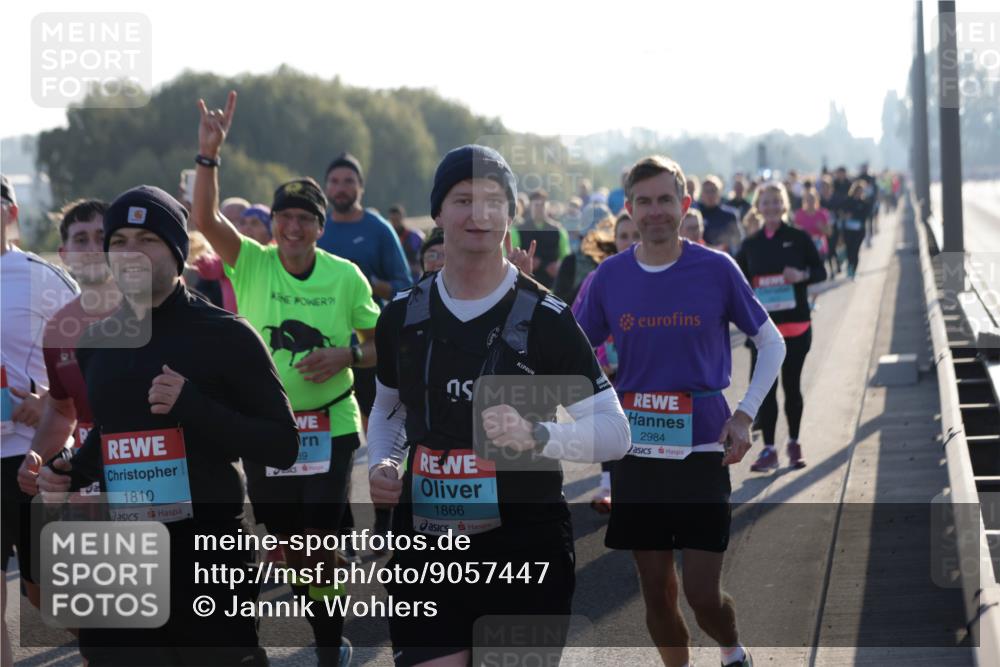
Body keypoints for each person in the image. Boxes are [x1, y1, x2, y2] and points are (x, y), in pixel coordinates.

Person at [367, 144, 630, 667]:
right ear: (438, 213)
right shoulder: (401, 315)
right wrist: (383, 461)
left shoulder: (547, 319)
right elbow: (389, 410)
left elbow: (614, 431)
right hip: (428, 550)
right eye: (462, 200)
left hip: (525, 548)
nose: (478, 214)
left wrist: (540, 437)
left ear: (510, 214)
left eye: (493, 201)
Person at [38, 184, 299, 666]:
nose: (130, 252)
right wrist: (67, 469)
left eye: (147, 239)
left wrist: (193, 405)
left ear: (177, 252)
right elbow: (113, 434)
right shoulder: (96, 343)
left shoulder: (227, 335)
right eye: (118, 242)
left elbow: (283, 445)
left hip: (207, 549)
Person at [574, 155, 786, 667]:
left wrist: (744, 415)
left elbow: (771, 342)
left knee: (701, 595)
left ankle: (731, 649)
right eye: (643, 202)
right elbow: (570, 350)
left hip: (702, 451)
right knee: (656, 592)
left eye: (665, 200)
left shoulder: (715, 268)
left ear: (684, 205)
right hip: (638, 454)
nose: (654, 212)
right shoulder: (609, 278)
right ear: (630, 209)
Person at [192, 92, 379, 665]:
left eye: (304, 218)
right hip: (267, 428)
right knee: (289, 541)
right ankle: (325, 607)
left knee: (318, 536)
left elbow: (378, 346)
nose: (292, 227)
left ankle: (328, 647)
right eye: (284, 216)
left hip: (332, 423)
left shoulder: (346, 276)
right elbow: (203, 220)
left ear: (320, 228)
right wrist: (209, 156)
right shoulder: (252, 261)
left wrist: (344, 356)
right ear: (273, 223)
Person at [1, 175, 80, 666]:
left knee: (43, 592)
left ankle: (108, 642)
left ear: (10, 214)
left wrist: (49, 396)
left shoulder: (38, 276)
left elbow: (94, 347)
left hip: (30, 454)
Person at [737, 182, 826, 471]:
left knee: (792, 387)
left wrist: (800, 274)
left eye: (777, 201)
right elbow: (736, 283)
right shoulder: (750, 245)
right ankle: (769, 450)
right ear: (758, 207)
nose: (772, 207)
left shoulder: (799, 238)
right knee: (765, 391)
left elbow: (820, 270)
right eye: (766, 202)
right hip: (763, 333)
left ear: (785, 205)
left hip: (797, 327)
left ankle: (794, 444)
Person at [513, 189, 570, 289]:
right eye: (536, 205)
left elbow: (566, 257)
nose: (539, 208)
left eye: (542, 205)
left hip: (552, 287)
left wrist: (559, 266)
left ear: (547, 206)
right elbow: (511, 256)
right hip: (525, 285)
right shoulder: (518, 230)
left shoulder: (558, 230)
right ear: (530, 206)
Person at [694, 175, 742, 255]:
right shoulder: (695, 215)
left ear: (719, 192)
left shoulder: (730, 215)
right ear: (701, 194)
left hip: (725, 258)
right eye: (707, 191)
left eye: (713, 190)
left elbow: (737, 241)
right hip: (701, 257)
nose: (710, 195)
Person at [388, 204, 425, 282]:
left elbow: (424, 259)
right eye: (392, 220)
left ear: (402, 217)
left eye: (397, 219)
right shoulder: (388, 238)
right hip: (395, 280)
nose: (395, 223)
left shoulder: (414, 237)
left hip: (414, 279)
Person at [841, 181, 870, 279]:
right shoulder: (847, 201)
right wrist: (845, 215)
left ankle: (854, 271)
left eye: (860, 191)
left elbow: (865, 216)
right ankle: (849, 267)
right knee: (849, 250)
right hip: (848, 230)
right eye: (857, 191)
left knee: (855, 250)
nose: (859, 193)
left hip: (859, 231)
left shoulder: (864, 203)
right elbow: (842, 212)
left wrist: (853, 215)